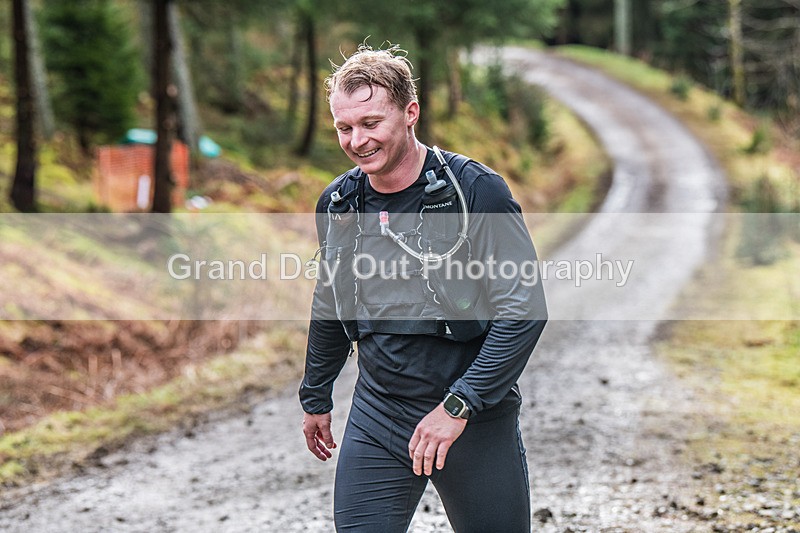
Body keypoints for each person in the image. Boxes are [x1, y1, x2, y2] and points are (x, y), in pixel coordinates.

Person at [299, 43, 548, 532]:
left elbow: (524, 309)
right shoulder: (338, 203)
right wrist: (316, 395)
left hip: (472, 418)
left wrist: (460, 405)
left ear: (410, 112)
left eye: (372, 123)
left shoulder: (476, 191)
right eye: (344, 128)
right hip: (379, 414)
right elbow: (330, 300)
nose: (357, 140)